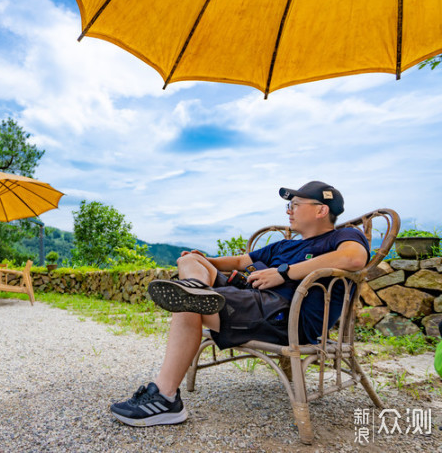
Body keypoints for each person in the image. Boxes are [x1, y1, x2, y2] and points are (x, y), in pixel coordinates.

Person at [110, 181, 370, 427]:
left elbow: (354, 259)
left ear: (321, 210)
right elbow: (238, 262)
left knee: (188, 305)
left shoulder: (342, 236)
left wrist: (284, 272)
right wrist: (203, 259)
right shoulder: (284, 245)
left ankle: (165, 398)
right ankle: (197, 290)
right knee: (189, 262)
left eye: (295, 204)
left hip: (286, 315)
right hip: (252, 299)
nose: (289, 210)